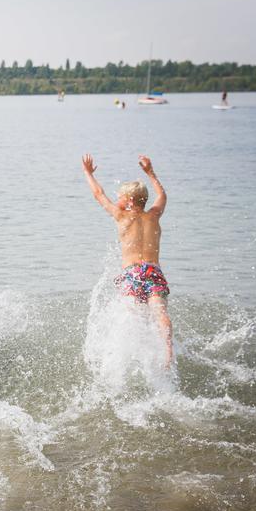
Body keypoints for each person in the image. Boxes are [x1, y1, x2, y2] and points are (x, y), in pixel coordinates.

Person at [82, 154, 173, 365]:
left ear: (129, 201)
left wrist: (88, 173)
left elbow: (98, 193)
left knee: (131, 313)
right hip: (153, 272)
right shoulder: (154, 215)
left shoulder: (121, 215)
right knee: (159, 312)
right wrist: (150, 173)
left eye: (120, 197)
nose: (117, 200)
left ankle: (133, 353)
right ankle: (168, 351)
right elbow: (162, 195)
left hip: (132, 273)